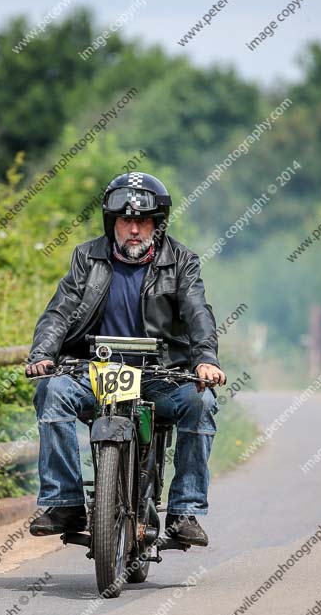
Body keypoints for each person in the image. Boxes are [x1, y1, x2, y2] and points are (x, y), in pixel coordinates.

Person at [25, 172, 226, 546]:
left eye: (143, 221)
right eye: (125, 220)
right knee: (52, 392)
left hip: (160, 374)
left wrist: (205, 359)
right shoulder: (87, 257)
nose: (134, 229)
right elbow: (60, 311)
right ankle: (65, 501)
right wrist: (43, 354)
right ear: (112, 222)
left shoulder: (182, 261)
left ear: (157, 224)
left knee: (202, 400)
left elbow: (199, 312)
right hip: (96, 370)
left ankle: (185, 510)